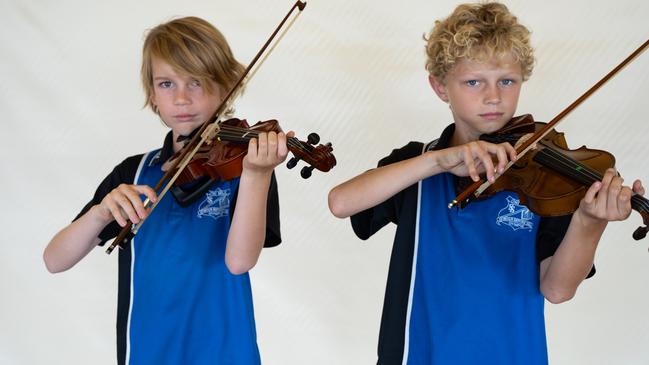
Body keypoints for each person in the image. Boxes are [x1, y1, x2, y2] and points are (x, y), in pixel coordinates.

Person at [328, 2, 644, 364]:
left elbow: (557, 290)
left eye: (506, 81)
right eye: (474, 81)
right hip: (419, 355)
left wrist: (589, 222)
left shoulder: (546, 178)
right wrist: (437, 160)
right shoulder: (416, 165)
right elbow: (341, 202)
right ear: (440, 86)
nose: (493, 96)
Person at [43, 16, 289, 365]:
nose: (182, 98)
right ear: (152, 95)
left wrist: (257, 176)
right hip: (146, 352)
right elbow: (55, 260)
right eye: (166, 84)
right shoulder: (136, 171)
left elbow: (239, 262)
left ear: (225, 88)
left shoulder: (244, 167)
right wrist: (100, 213)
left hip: (226, 352)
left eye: (196, 82)